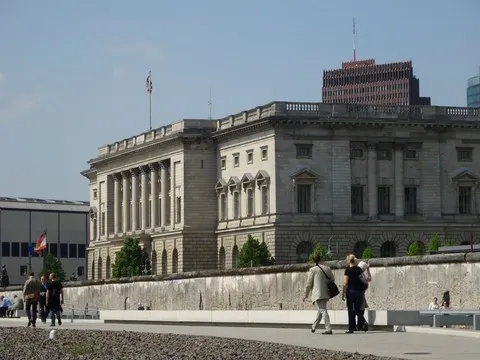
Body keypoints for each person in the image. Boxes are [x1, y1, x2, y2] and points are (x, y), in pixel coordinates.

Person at [302, 253, 334, 335]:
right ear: (320, 259)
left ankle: (328, 328)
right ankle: (314, 326)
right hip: (326, 292)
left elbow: (309, 284)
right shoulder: (327, 268)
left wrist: (305, 295)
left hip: (318, 293)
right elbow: (332, 279)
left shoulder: (313, 269)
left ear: (313, 260)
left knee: (323, 310)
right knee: (321, 310)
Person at [342, 254, 367, 334]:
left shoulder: (348, 270)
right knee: (358, 309)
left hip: (351, 292)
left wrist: (343, 293)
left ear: (348, 261)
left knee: (350, 310)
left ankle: (351, 328)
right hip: (359, 292)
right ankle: (363, 321)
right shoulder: (359, 269)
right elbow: (365, 281)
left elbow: (345, 283)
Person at [357, 260, 372, 330]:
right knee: (361, 310)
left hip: (355, 294)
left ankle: (363, 323)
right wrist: (368, 269)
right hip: (362, 294)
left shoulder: (356, 274)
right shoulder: (363, 275)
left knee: (356, 311)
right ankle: (360, 326)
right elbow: (369, 279)